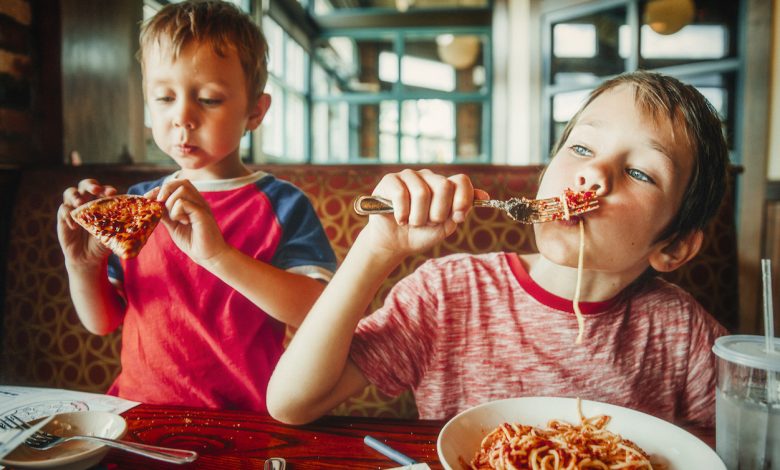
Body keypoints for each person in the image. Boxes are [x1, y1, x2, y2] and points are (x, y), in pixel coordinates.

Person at [266, 71, 729, 429]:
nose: (594, 175)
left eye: (641, 173)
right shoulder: (448, 292)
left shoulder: (680, 332)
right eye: (582, 148)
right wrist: (376, 247)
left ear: (674, 247)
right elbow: (292, 402)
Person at [56, 0, 337, 412]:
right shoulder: (136, 205)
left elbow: (318, 315)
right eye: (165, 97)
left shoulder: (282, 205)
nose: (182, 116)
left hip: (247, 420)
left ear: (255, 111)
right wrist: (82, 266)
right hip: (137, 414)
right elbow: (103, 322)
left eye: (208, 99)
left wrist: (219, 256)